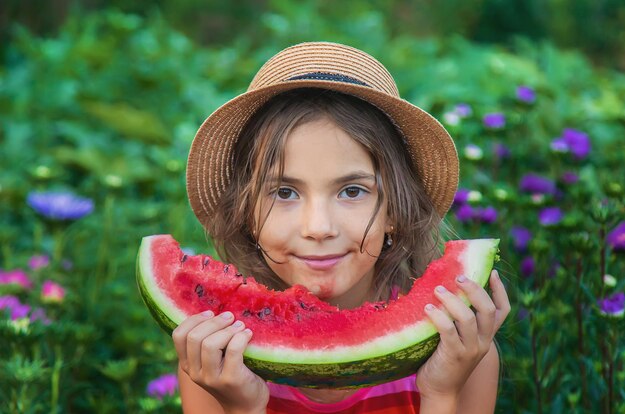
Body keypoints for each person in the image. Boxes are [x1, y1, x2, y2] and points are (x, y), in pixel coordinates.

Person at [174, 42, 510, 413]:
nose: (318, 227)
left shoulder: (462, 353)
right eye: (284, 192)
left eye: (352, 191)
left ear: (394, 211)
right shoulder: (214, 360)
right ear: (247, 215)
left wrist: (441, 393)